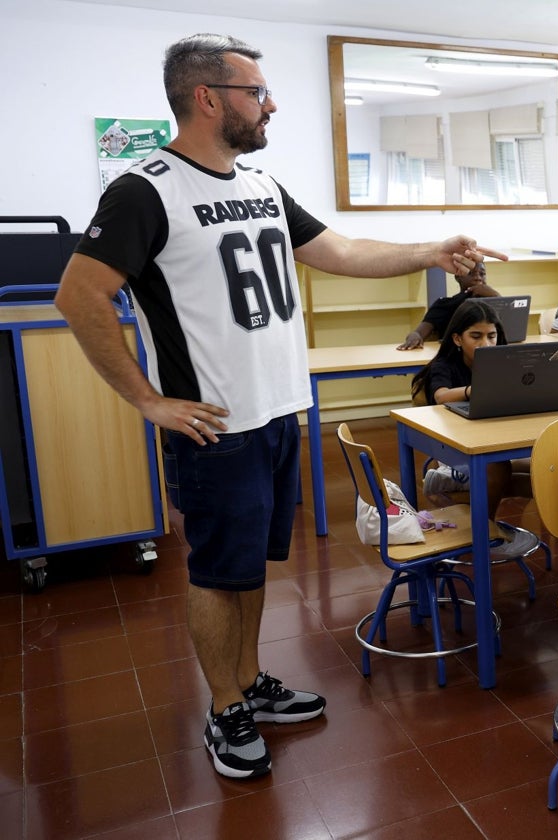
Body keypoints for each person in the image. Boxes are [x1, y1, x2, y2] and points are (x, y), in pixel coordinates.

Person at [53, 33, 506, 781]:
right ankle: (223, 705)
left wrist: (432, 251)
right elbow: (79, 295)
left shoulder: (259, 184)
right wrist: (146, 399)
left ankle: (250, 682)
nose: (271, 104)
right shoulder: (146, 190)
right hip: (214, 425)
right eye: (256, 92)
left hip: (277, 413)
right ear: (207, 98)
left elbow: (343, 250)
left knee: (254, 568)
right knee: (215, 573)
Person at [411, 300, 514, 518]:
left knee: (547, 461)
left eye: (491, 336)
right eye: (476, 337)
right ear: (457, 339)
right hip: (453, 442)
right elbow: (441, 396)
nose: (485, 344)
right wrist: (471, 390)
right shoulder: (445, 365)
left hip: (491, 435)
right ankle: (485, 531)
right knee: (497, 466)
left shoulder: (503, 361)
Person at [397, 259, 501, 349]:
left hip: (492, 354)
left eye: (482, 274)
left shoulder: (493, 303)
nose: (478, 278)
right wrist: (414, 336)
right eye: (471, 273)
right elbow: (419, 332)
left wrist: (495, 296)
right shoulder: (445, 304)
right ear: (458, 277)